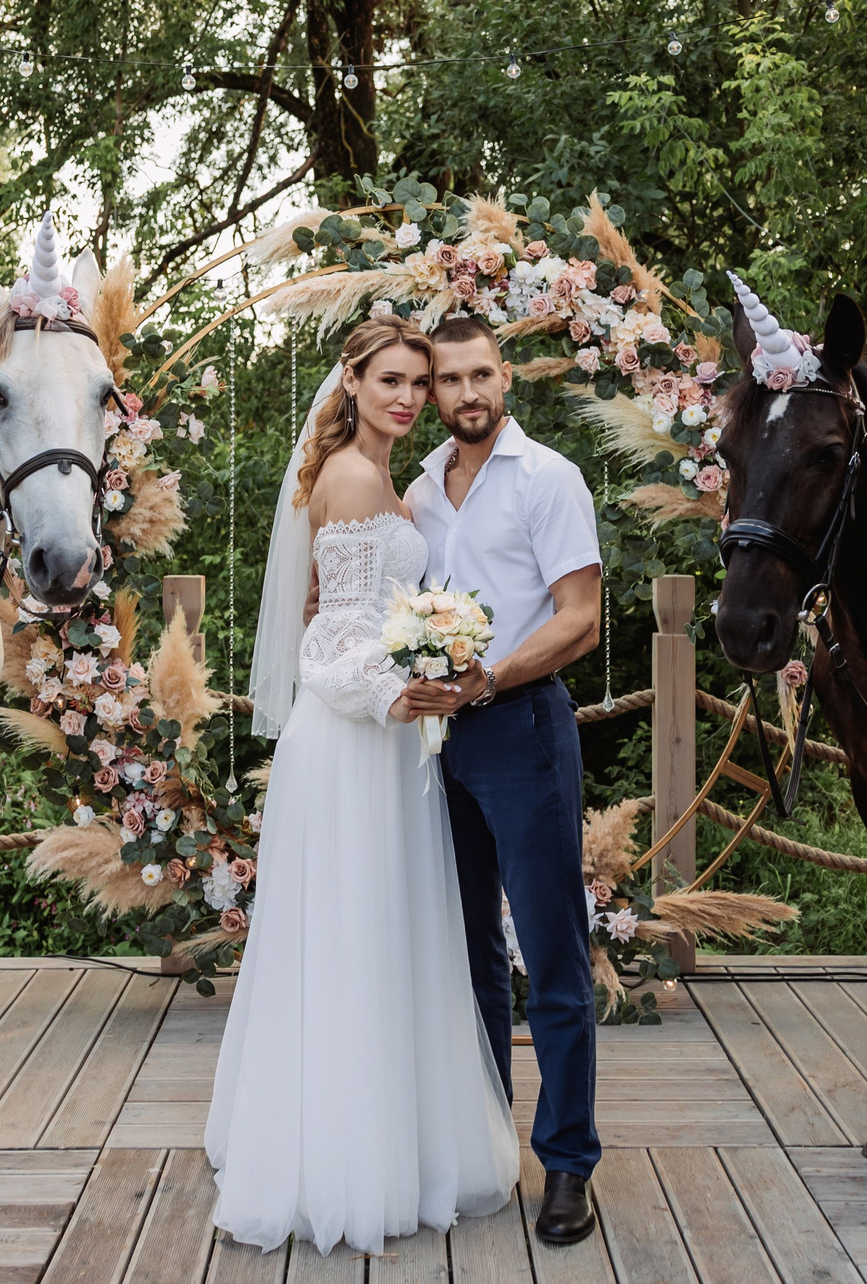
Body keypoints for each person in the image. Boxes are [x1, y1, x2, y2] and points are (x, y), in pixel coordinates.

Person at [206, 315, 519, 1256]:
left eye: (419, 382)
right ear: (350, 380)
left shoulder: (392, 479)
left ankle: (398, 1138)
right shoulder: (348, 474)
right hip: (347, 745)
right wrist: (398, 696)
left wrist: (430, 658)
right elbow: (326, 647)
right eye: (391, 379)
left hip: (390, 745)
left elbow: (369, 617)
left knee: (388, 935)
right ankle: (338, 1161)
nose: (409, 397)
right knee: (348, 941)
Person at [403, 316, 606, 1246]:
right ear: (435, 392)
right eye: (450, 380)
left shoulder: (550, 480)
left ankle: (568, 1164)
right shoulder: (418, 490)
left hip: (523, 729)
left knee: (552, 953)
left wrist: (493, 676)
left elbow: (582, 617)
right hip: (437, 746)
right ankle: (488, 1145)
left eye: (481, 373)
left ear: (507, 376)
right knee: (469, 950)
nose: (467, 393)